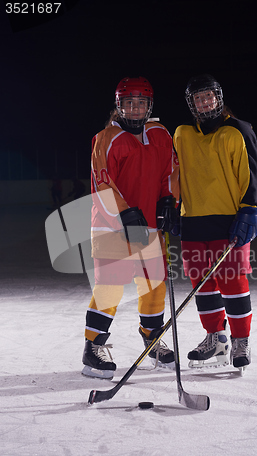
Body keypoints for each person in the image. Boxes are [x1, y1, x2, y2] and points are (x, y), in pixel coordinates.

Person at [82, 77, 178, 379]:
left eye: (141, 103)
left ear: (150, 106)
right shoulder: (106, 138)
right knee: (110, 286)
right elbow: (102, 181)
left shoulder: (160, 134)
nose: (134, 109)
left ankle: (152, 340)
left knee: (154, 285)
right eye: (128, 102)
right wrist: (124, 213)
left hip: (149, 226)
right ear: (118, 105)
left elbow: (170, 171)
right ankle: (93, 347)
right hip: (111, 226)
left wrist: (168, 200)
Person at [173, 74, 257, 372]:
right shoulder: (182, 134)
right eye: (197, 98)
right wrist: (172, 206)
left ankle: (240, 341)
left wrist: (251, 209)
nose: (203, 102)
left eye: (207, 96)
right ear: (191, 104)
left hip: (229, 219)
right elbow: (173, 174)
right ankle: (216, 338)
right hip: (193, 221)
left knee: (234, 282)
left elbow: (252, 173)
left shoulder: (238, 129)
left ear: (218, 97)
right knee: (203, 284)